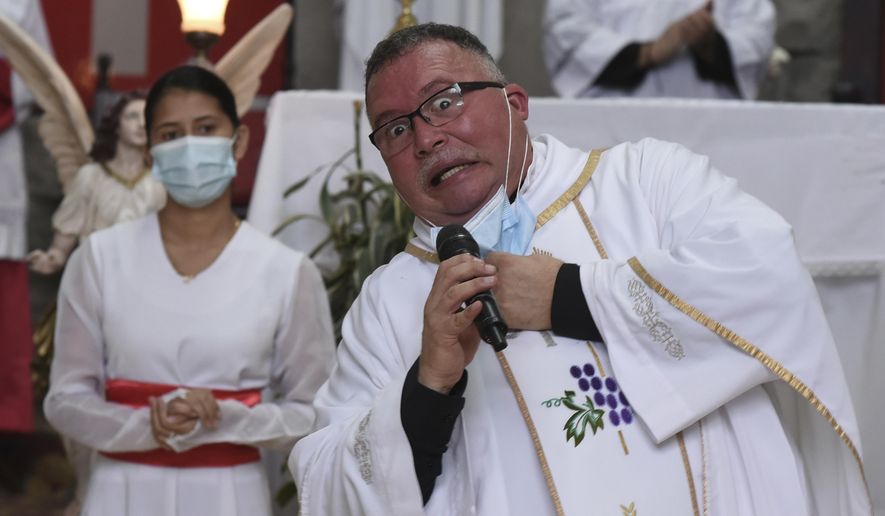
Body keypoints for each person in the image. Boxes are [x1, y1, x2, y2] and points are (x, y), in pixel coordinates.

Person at [289, 23, 871, 515]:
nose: (424, 137)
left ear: (515, 104)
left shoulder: (645, 183)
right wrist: (429, 385)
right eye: (395, 128)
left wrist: (571, 294)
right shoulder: (389, 301)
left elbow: (766, 276)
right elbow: (325, 482)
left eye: (444, 101)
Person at [44, 65, 336, 516]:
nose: (189, 146)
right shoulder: (100, 258)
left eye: (205, 129)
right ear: (150, 154)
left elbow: (316, 412)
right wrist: (146, 425)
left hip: (230, 492)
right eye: (170, 133)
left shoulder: (286, 271)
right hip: (119, 489)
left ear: (237, 141)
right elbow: (64, 399)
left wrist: (226, 418)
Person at [28, 91, 166, 275]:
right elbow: (64, 240)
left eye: (147, 117)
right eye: (132, 116)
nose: (141, 124)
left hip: (145, 276)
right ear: (116, 124)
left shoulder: (160, 182)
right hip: (97, 276)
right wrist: (52, 258)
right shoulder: (91, 177)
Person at [543, 0, 775, 99]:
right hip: (613, 119)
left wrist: (710, 44)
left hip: (706, 119)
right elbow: (565, 32)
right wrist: (647, 53)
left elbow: (756, 34)